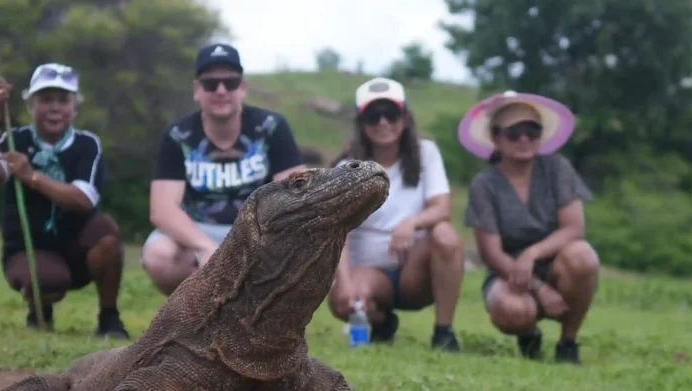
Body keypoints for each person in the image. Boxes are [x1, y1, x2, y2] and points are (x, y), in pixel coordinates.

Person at [0, 62, 130, 339]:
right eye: (45, 100)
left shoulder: (87, 144)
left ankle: (109, 317)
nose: (54, 108)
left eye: (63, 100)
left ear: (75, 108)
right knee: (49, 282)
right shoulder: (14, 140)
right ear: (31, 106)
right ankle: (40, 308)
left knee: (107, 233)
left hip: (77, 245)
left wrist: (31, 176)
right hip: (29, 247)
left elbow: (83, 199)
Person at [141, 43, 306, 295]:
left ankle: (263, 318)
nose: (221, 90)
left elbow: (297, 194)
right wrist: (205, 247)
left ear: (243, 88)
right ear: (197, 90)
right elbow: (162, 209)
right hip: (197, 230)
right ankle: (193, 313)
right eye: (210, 84)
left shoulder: (272, 127)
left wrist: (263, 240)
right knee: (158, 255)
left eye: (230, 82)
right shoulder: (178, 135)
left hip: (259, 229)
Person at [460, 91, 600, 364]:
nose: (524, 138)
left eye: (532, 130)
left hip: (557, 263)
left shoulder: (558, 169)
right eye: (514, 132)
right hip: (507, 273)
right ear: (497, 138)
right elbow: (491, 253)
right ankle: (528, 333)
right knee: (510, 310)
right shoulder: (483, 184)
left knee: (583, 256)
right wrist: (538, 287)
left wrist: (532, 253)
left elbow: (574, 228)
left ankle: (568, 343)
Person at [327, 77, 464, 352]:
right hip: (370, 270)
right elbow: (338, 232)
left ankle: (444, 333)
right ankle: (380, 322)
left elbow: (442, 208)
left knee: (445, 234)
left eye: (391, 114)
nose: (382, 123)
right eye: (373, 116)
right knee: (343, 301)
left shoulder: (427, 153)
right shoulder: (346, 167)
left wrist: (411, 223)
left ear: (405, 118)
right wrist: (343, 282)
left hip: (416, 270)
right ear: (361, 123)